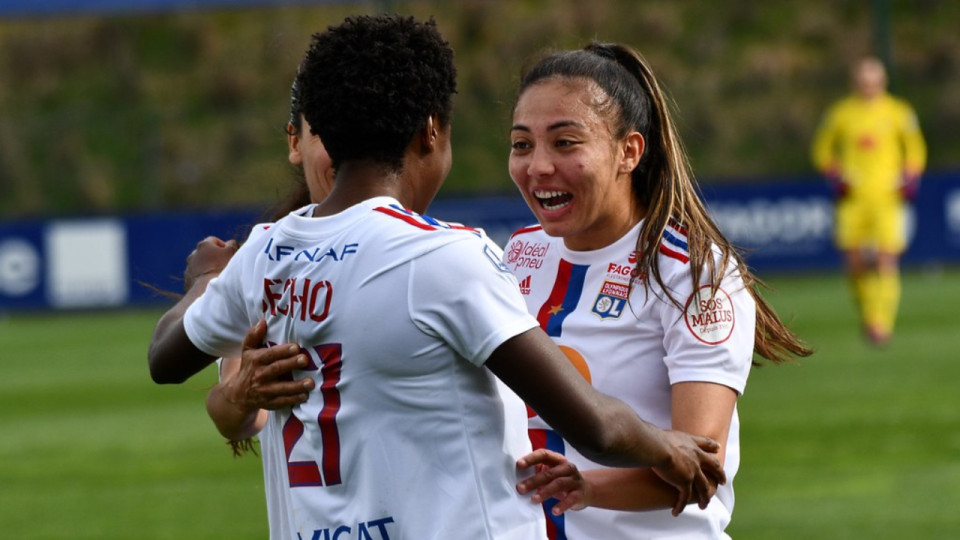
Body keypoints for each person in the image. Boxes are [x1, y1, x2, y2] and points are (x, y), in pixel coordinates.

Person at [147, 15, 726, 540]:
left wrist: (204, 279)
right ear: (431, 130)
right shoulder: (442, 258)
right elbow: (595, 424)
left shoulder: (265, 253)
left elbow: (163, 359)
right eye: (521, 143)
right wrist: (669, 449)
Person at [501, 42, 813, 538]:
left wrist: (588, 486)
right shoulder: (516, 255)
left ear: (629, 151)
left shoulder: (692, 274)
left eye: (565, 143)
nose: (538, 166)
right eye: (522, 144)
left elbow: (699, 467)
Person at [811, 55, 927, 345]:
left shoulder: (899, 112)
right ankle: (868, 313)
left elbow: (915, 150)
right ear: (856, 81)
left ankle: (880, 323)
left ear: (883, 81)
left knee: (887, 258)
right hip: (853, 199)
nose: (869, 84)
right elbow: (822, 150)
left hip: (887, 197)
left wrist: (910, 177)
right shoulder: (840, 114)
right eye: (864, 79)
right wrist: (836, 175)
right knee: (854, 263)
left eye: (873, 79)